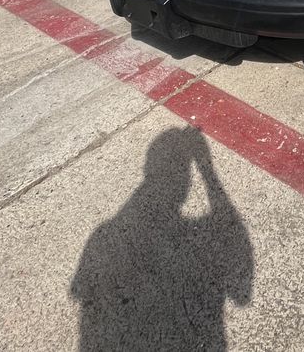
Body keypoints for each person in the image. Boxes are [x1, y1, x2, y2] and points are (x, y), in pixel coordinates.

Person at [71, 126, 253, 351]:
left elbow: (82, 293)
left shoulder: (101, 236)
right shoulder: (104, 236)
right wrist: (207, 172)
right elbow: (241, 295)